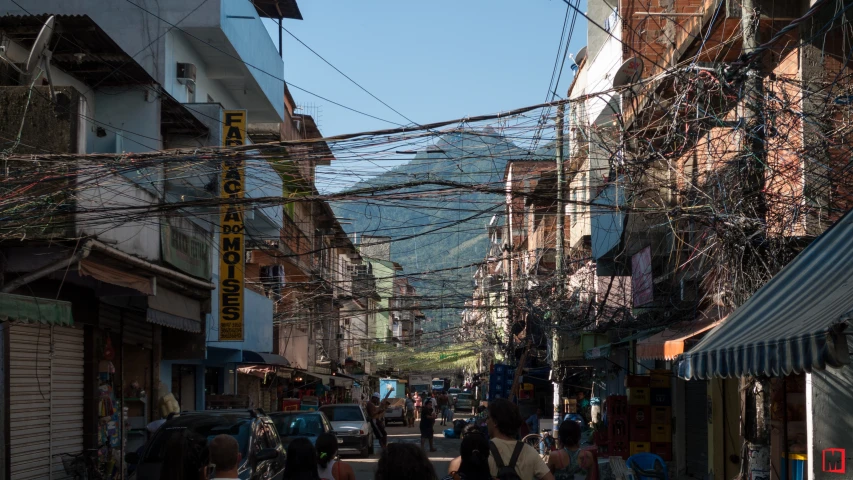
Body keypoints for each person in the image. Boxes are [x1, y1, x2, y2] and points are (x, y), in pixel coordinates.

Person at [486, 399, 554, 480]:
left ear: (495, 422)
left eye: (488, 418)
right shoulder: (529, 452)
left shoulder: (484, 451)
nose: (486, 421)